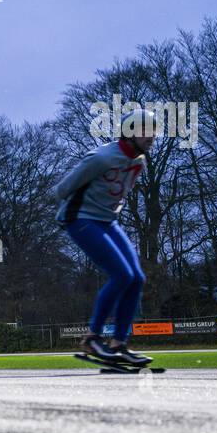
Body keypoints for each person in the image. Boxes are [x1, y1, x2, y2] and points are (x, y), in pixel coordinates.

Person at [54, 108, 157, 366]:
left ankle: (119, 344)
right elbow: (63, 189)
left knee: (136, 279)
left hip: (108, 221)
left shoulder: (139, 161)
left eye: (154, 131)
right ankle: (92, 338)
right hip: (81, 218)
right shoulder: (101, 158)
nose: (152, 137)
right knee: (122, 275)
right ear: (130, 132)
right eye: (145, 131)